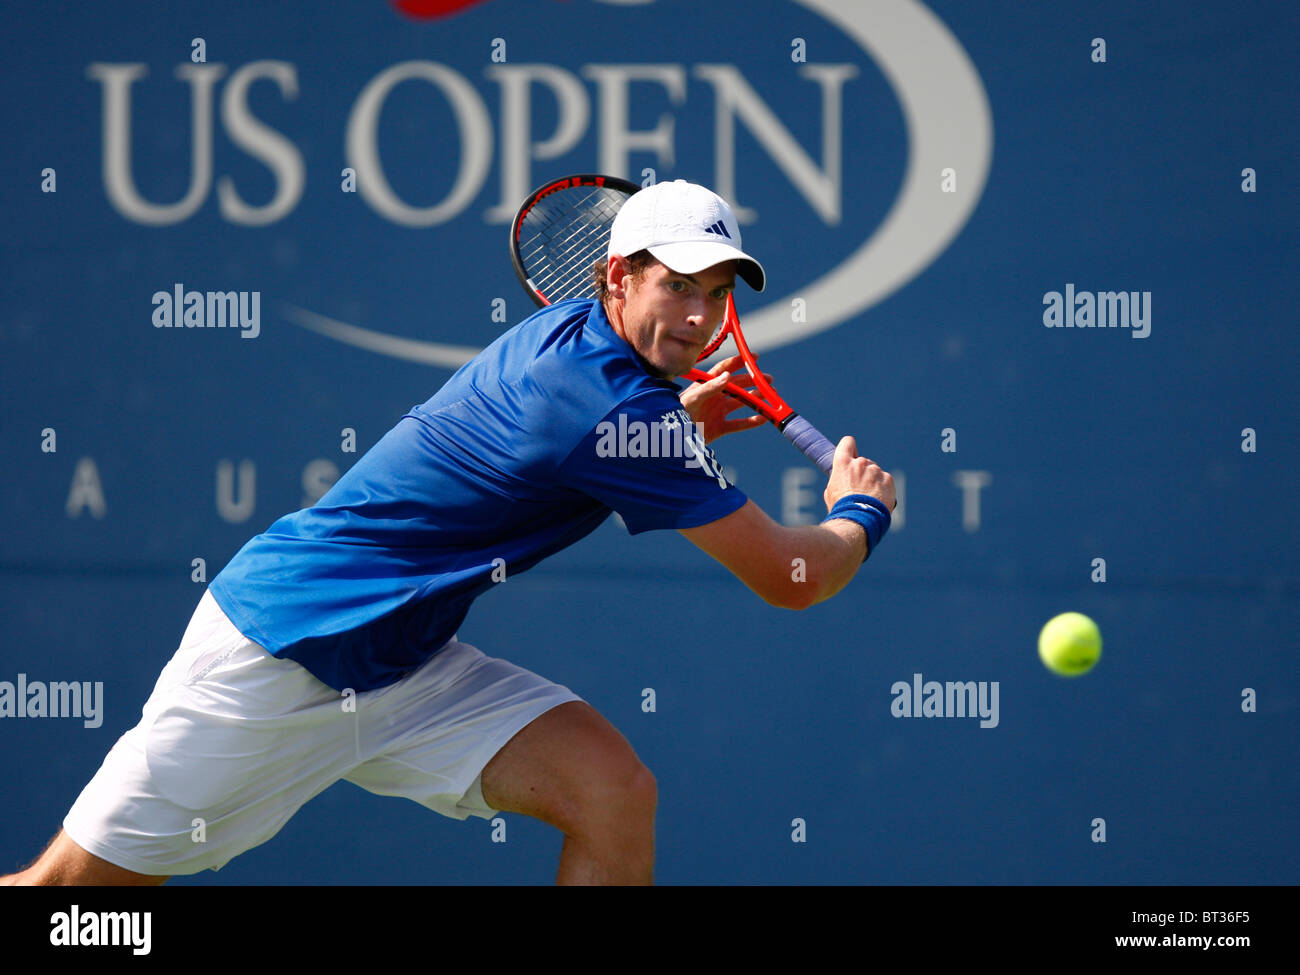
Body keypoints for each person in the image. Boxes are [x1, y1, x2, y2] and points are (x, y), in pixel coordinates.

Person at [4, 179, 895, 886]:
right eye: (676, 288)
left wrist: (680, 426)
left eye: (714, 294)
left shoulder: (585, 349)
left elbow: (585, 443)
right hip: (281, 648)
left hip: (405, 663)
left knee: (612, 790)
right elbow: (791, 575)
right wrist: (861, 510)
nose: (700, 319)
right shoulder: (619, 410)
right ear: (618, 276)